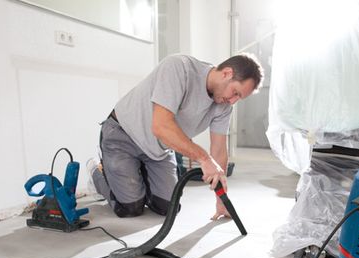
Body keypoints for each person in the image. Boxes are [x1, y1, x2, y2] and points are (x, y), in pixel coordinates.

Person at [88, 53, 263, 219]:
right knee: (130, 208)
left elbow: (219, 151)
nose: (232, 101)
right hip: (123, 136)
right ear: (227, 73)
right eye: (235, 92)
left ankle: (134, 176)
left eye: (239, 98)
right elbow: (161, 127)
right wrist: (204, 158)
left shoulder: (224, 106)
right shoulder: (179, 67)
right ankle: (96, 172)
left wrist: (221, 200)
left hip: (158, 149)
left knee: (167, 207)